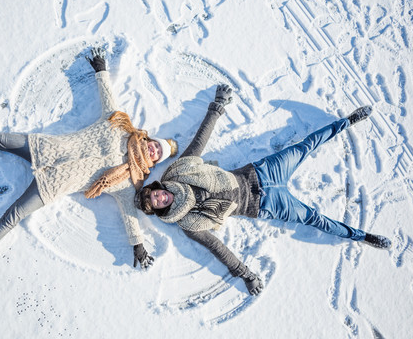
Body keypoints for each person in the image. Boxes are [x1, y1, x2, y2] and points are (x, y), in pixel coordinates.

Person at [0, 47, 178, 277]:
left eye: (158, 154)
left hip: (53, 185)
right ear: (150, 139)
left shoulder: (127, 182)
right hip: (45, 149)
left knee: (13, 216)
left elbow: (130, 215)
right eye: (156, 145)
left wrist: (138, 244)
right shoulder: (119, 125)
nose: (154, 150)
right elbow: (108, 96)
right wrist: (101, 71)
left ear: (154, 162)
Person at [135, 84, 391, 296]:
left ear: (157, 187)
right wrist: (245, 274)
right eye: (156, 203)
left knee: (305, 147)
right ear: (161, 210)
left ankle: (346, 122)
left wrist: (217, 106)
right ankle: (361, 236)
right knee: (314, 219)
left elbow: (199, 142)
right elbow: (218, 249)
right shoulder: (188, 223)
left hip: (261, 172)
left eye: (154, 193)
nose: (159, 197)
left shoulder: (179, 171)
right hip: (266, 205)